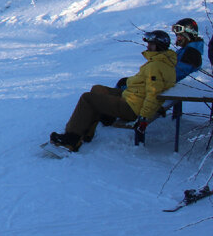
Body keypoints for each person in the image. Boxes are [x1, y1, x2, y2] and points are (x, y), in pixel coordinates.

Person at [48, 30, 177, 152]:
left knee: (87, 98)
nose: (148, 46)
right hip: (133, 98)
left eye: (151, 44)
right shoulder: (161, 61)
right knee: (97, 89)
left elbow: (154, 93)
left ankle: (71, 140)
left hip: (132, 107)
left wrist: (143, 117)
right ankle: (87, 132)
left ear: (158, 46)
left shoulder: (155, 66)